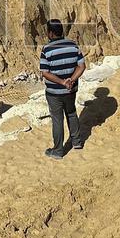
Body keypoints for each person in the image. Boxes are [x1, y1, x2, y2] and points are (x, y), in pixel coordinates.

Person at [38, 19, 86, 159]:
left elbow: (45, 72)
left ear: (51, 33)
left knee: (57, 119)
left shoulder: (46, 50)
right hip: (71, 89)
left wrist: (61, 82)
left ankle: (58, 151)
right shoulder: (73, 46)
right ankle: (77, 142)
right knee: (71, 113)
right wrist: (71, 80)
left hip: (54, 92)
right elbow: (81, 66)